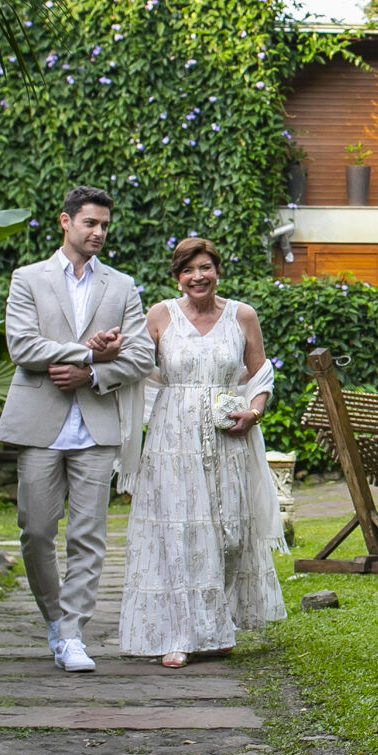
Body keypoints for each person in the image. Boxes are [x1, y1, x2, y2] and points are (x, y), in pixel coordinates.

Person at [0, 185, 154, 673]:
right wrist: (88, 352)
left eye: (104, 225)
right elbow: (22, 346)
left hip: (97, 426)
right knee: (36, 531)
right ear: (65, 222)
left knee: (88, 537)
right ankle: (54, 619)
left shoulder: (121, 286)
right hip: (39, 424)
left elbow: (142, 356)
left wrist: (93, 375)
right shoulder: (28, 278)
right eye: (90, 223)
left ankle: (72, 633)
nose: (99, 232)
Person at [119, 237, 288, 668]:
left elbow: (261, 373)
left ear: (217, 271)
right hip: (171, 442)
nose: (198, 276)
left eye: (205, 268)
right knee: (178, 534)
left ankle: (214, 627)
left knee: (229, 535)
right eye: (188, 270)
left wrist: (254, 411)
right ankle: (178, 635)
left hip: (227, 438)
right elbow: (136, 369)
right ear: (177, 277)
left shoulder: (242, 315)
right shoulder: (160, 315)